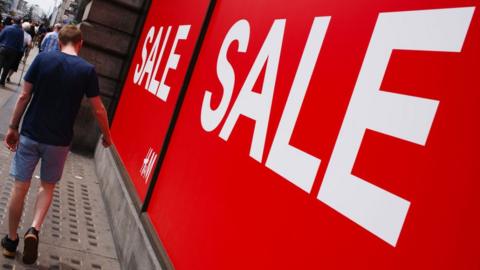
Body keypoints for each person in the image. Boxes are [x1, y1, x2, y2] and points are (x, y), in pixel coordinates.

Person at [1, 25, 112, 264]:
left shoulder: (43, 59)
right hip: (59, 141)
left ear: (59, 42)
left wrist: (12, 127)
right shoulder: (87, 70)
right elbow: (98, 108)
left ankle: (10, 242)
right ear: (80, 43)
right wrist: (107, 135)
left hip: (31, 133)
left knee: (20, 186)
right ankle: (34, 229)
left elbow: (23, 95)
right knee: (47, 187)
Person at [0, 17, 24, 87]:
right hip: (13, 51)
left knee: (0, 64)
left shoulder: (7, 28)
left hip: (3, 48)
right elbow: (20, 43)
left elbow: (1, 37)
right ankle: (2, 81)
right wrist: (20, 51)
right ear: (20, 22)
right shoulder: (21, 31)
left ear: (13, 21)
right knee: (7, 67)